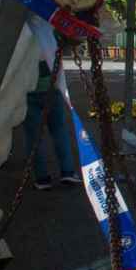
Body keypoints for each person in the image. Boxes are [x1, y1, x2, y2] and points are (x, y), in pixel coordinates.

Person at [23, 59, 80, 190]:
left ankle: (42, 178)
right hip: (52, 88)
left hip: (29, 91)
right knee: (59, 131)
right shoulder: (49, 38)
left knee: (33, 136)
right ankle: (67, 171)